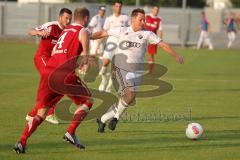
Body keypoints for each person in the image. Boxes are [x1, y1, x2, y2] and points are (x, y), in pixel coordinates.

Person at [13, 7, 93, 154]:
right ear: (86, 19)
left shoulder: (65, 32)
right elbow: (86, 49)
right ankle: (71, 132)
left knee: (41, 113)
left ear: (73, 18)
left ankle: (22, 142)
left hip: (49, 72)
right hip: (63, 72)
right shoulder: (82, 31)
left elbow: (59, 49)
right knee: (87, 101)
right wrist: (85, 63)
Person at [92, 8, 184, 133]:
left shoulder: (147, 34)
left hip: (136, 72)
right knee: (130, 94)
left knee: (129, 99)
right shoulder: (122, 30)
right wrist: (86, 37)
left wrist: (176, 55)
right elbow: (102, 33)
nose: (143, 22)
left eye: (144, 20)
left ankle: (102, 119)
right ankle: (116, 118)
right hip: (120, 68)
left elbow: (162, 44)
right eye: (141, 19)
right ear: (133, 19)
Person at [26, 8, 72, 124]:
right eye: (66, 18)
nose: (68, 21)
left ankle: (33, 114)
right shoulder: (51, 26)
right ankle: (49, 113)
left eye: (70, 19)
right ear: (60, 17)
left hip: (54, 62)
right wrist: (39, 32)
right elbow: (30, 31)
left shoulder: (68, 31)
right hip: (42, 57)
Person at [98, 0, 129, 93]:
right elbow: (104, 32)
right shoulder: (109, 19)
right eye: (117, 6)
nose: (118, 8)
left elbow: (129, 31)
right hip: (111, 42)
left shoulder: (126, 18)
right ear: (113, 7)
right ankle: (103, 80)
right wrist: (98, 44)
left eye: (120, 6)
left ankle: (109, 86)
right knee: (105, 62)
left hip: (121, 44)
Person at [145, 5, 163, 73]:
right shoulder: (146, 16)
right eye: (155, 9)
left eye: (157, 10)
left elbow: (160, 30)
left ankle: (150, 71)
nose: (156, 11)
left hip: (152, 39)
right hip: (143, 38)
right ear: (152, 9)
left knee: (150, 55)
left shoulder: (158, 19)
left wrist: (159, 41)